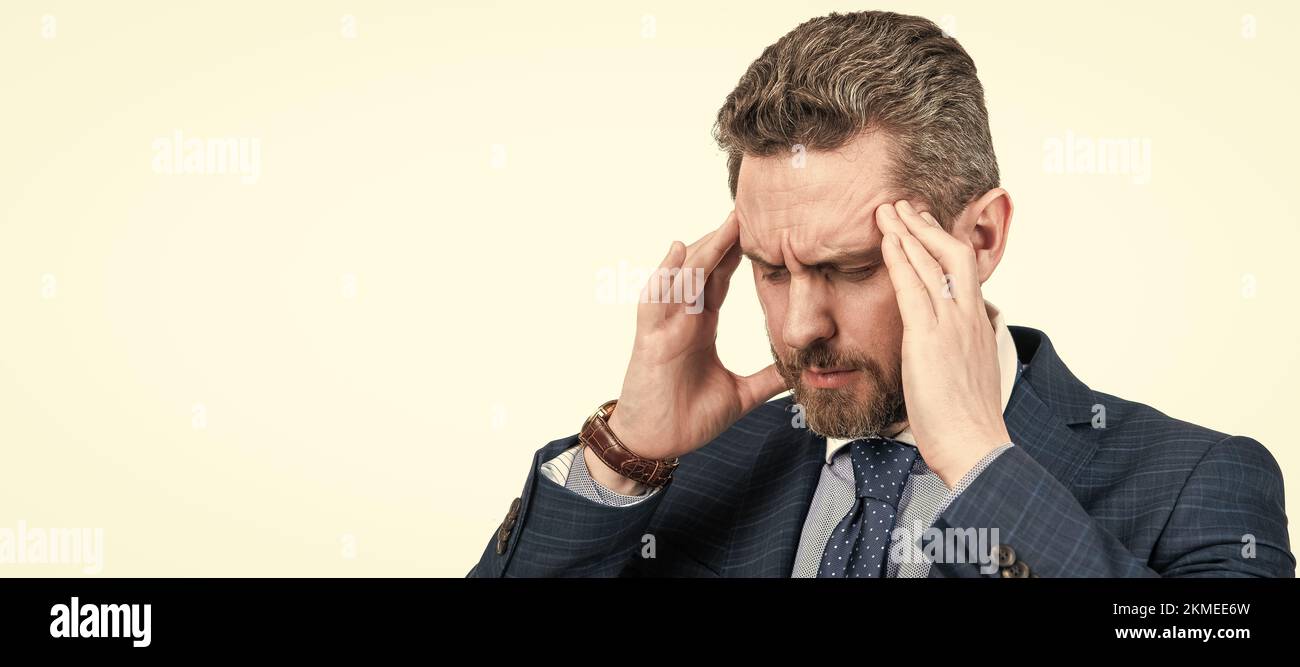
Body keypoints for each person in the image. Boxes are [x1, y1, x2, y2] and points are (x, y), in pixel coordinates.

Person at [468, 10, 1293, 578]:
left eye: (852, 268)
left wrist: (981, 464)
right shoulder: (680, 472)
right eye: (770, 267)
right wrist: (626, 454)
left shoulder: (1197, 483)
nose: (799, 327)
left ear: (979, 239)